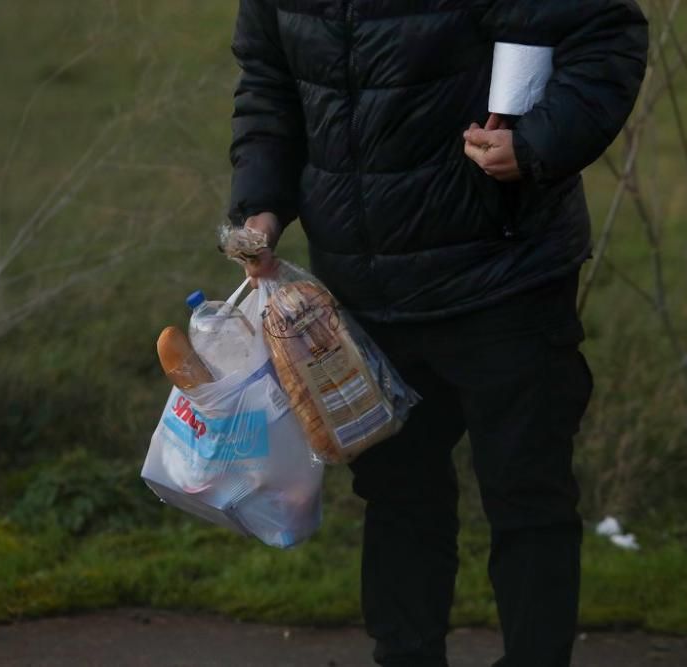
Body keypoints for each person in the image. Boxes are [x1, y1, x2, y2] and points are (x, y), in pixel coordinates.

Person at [226, 1, 648, 665]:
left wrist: (536, 143)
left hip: (503, 276)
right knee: (397, 502)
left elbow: (604, 32)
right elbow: (268, 82)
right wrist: (261, 204)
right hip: (364, 295)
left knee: (527, 497)